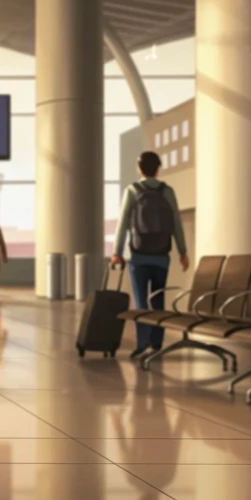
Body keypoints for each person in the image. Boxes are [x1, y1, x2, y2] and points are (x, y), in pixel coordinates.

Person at [111, 150, 189, 359]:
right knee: (159, 299)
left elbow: (123, 224)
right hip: (161, 255)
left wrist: (117, 252)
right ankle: (156, 343)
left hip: (138, 255)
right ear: (158, 168)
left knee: (141, 301)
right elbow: (176, 224)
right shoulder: (167, 191)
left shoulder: (133, 191)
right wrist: (183, 251)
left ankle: (141, 342)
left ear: (140, 169)